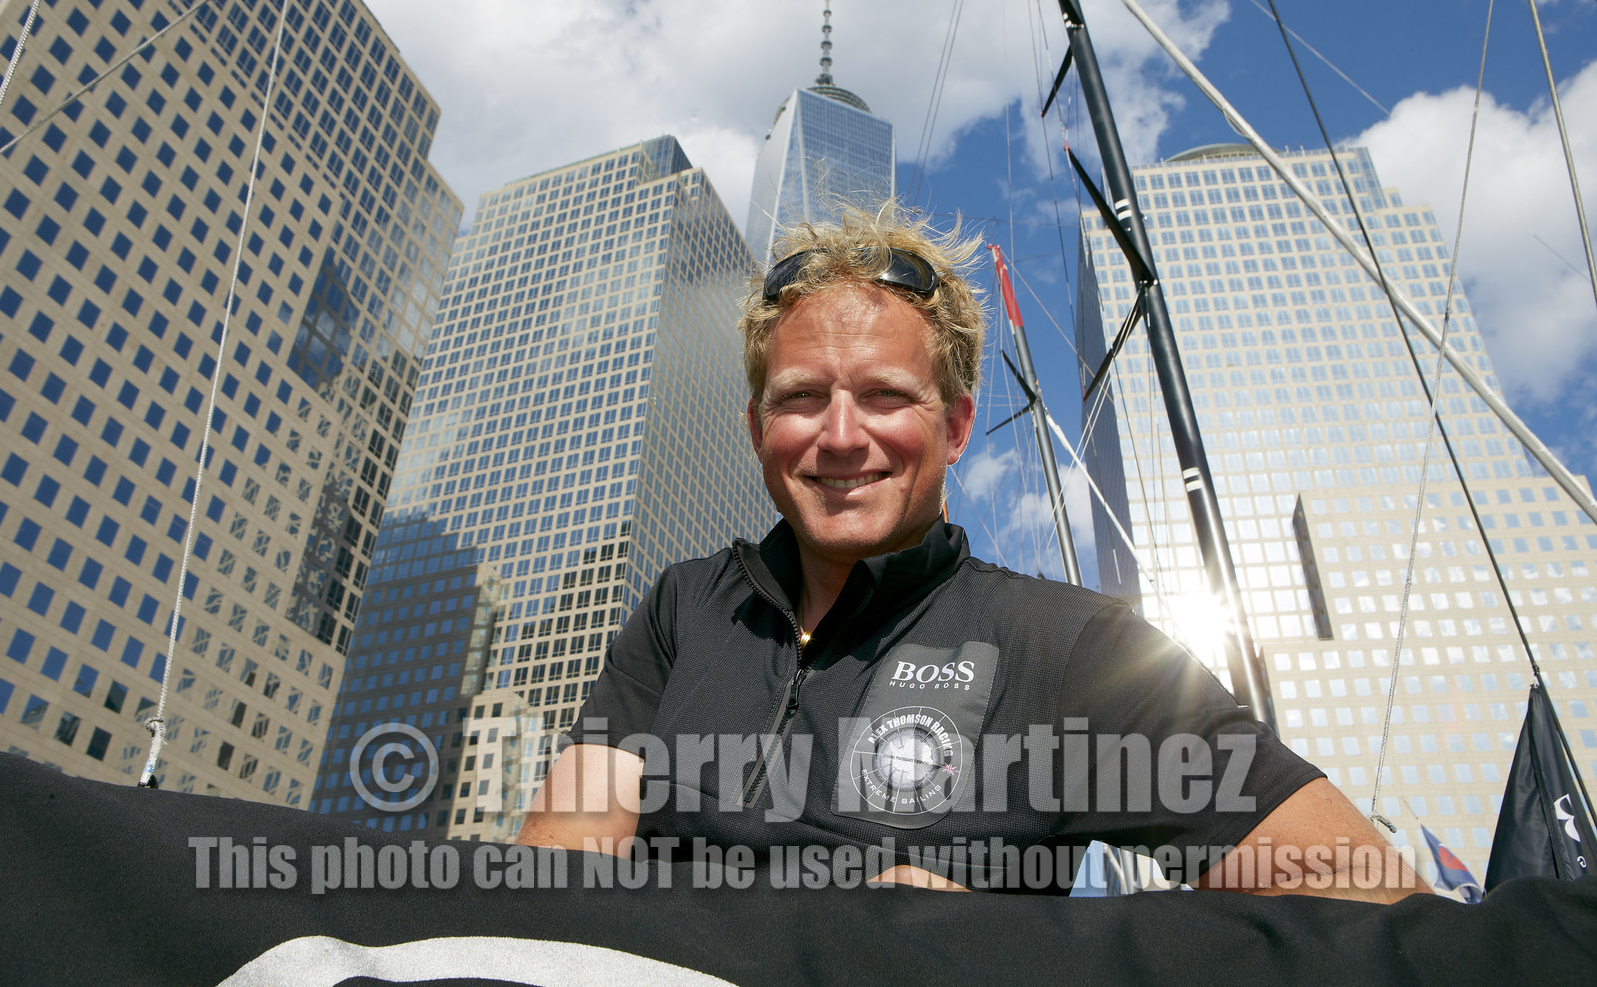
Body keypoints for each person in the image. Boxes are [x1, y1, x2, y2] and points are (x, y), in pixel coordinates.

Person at [516, 204, 1428, 901]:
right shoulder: (685, 609)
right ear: (758, 430)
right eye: (801, 398)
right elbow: (555, 877)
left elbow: (1366, 895)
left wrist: (1002, 950)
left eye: (885, 396)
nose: (841, 435)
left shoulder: (1071, 648)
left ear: (954, 428)